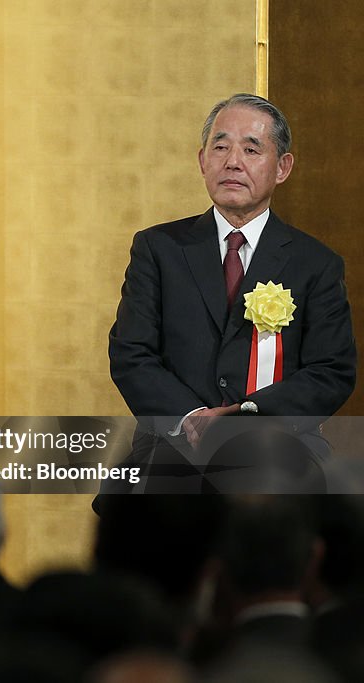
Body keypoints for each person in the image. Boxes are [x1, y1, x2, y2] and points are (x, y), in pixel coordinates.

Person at [108, 94, 356, 487]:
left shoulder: (316, 264)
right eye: (220, 147)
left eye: (251, 149)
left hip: (281, 448)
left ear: (282, 167)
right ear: (202, 161)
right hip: (173, 451)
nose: (232, 161)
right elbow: (131, 354)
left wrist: (247, 417)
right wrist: (191, 419)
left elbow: (331, 371)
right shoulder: (159, 248)